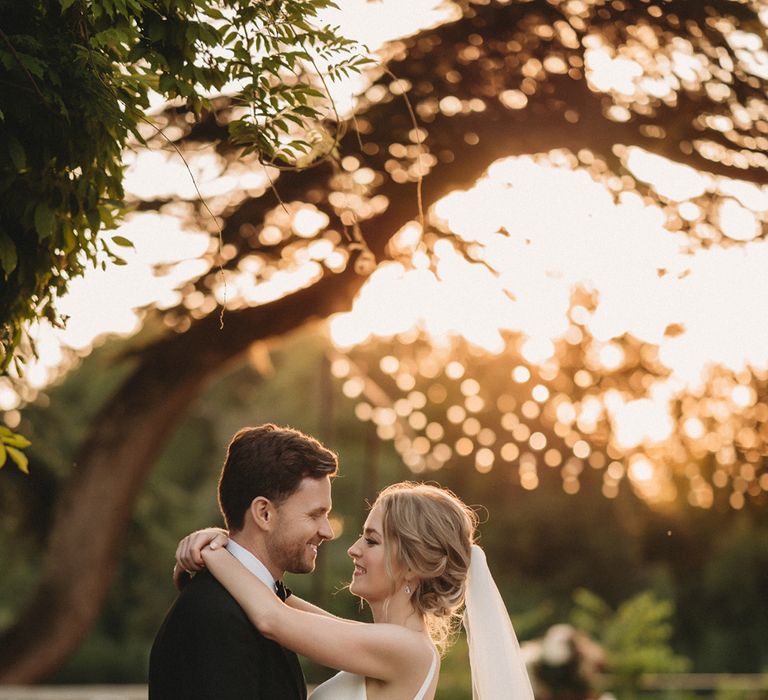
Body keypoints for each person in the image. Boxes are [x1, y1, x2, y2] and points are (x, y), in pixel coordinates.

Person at [177, 481, 535, 700]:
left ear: (412, 564)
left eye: (372, 540)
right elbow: (279, 599)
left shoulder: (409, 650)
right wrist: (222, 558)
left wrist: (212, 552)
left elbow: (272, 618)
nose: (354, 549)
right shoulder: (384, 642)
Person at [148, 423, 338, 699]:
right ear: (264, 513)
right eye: (314, 515)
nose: (327, 531)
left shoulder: (261, 603)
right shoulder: (213, 616)